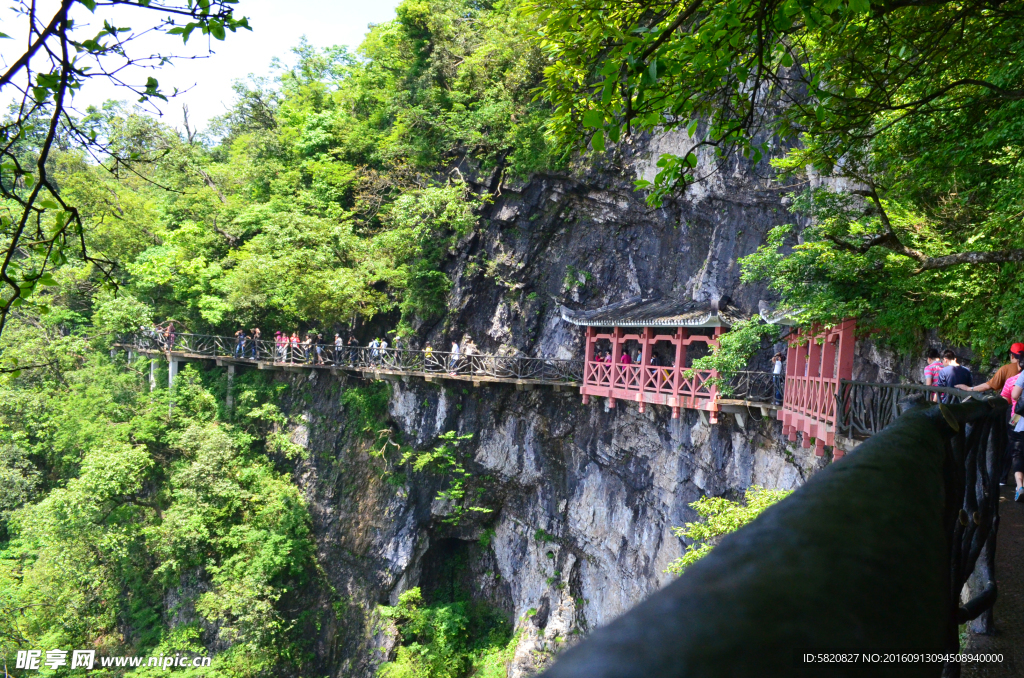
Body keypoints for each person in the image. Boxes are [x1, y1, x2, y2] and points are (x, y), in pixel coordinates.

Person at [956, 342, 1024, 396]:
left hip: (1014, 408)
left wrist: (968, 389)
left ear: (1012, 356)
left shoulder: (1005, 369)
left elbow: (988, 386)